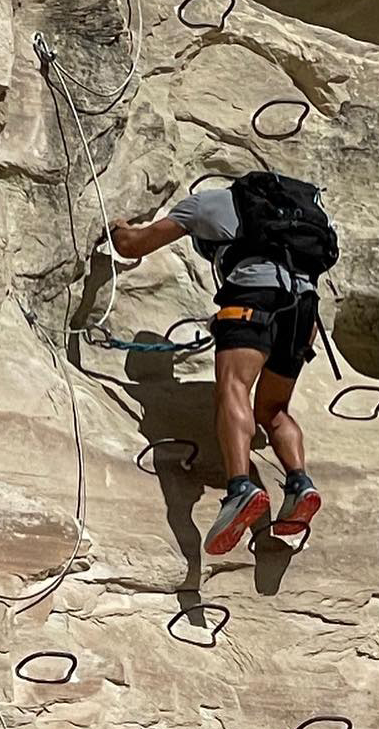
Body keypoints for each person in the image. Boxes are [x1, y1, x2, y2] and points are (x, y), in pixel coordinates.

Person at [109, 172, 337, 557]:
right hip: (304, 313)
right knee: (274, 409)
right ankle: (299, 483)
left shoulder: (206, 204)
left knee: (233, 389)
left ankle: (240, 488)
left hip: (251, 300)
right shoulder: (292, 218)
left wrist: (117, 229)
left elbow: (134, 246)